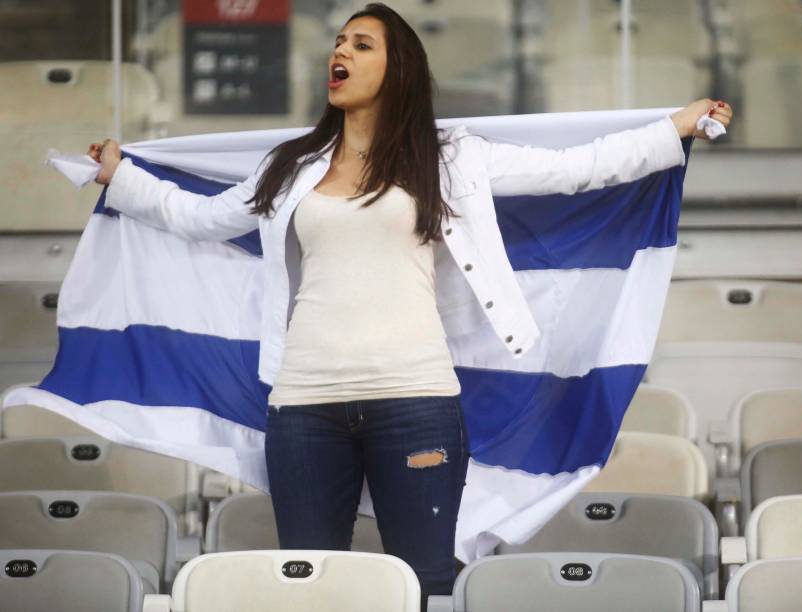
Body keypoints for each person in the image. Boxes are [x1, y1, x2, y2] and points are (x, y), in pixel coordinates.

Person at [88, 3, 733, 609]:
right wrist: (122, 176)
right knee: (314, 586)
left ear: (396, 69)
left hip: (416, 402)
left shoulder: (449, 156)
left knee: (424, 584)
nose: (340, 51)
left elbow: (574, 167)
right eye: (338, 42)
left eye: (360, 44)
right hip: (303, 408)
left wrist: (672, 128)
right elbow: (196, 216)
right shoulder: (290, 166)